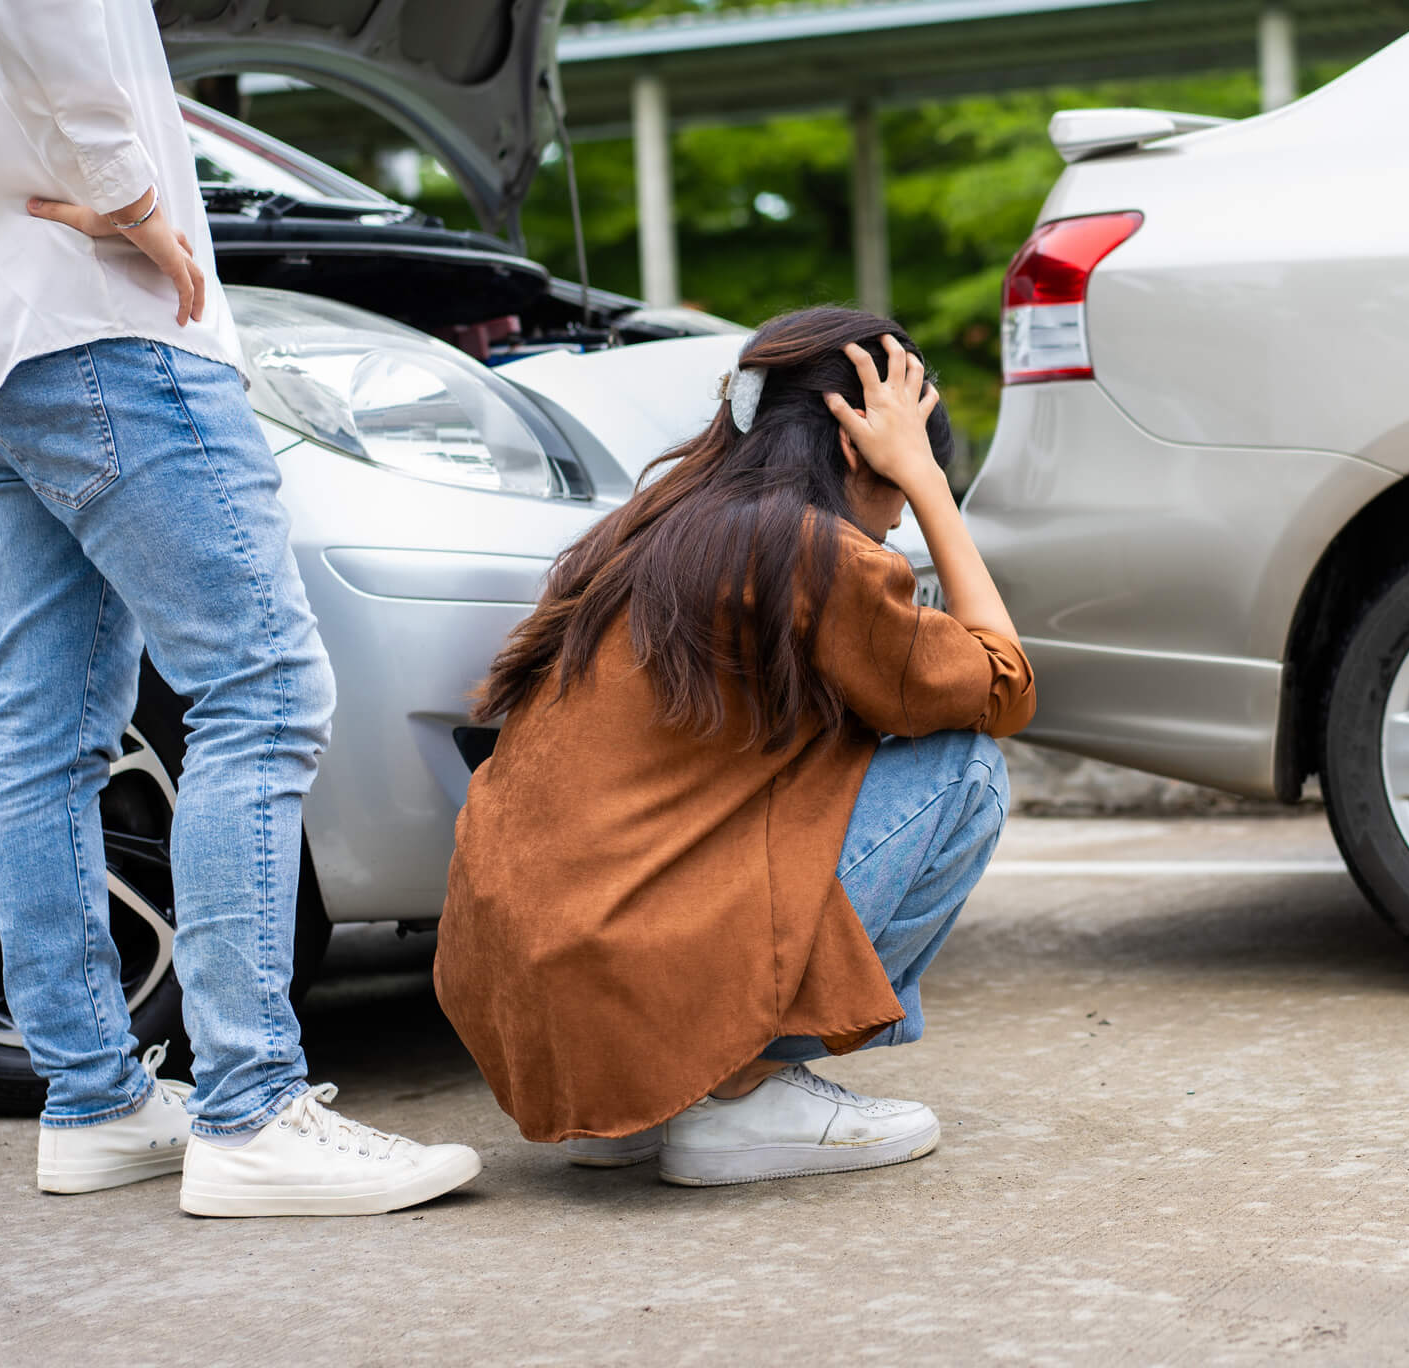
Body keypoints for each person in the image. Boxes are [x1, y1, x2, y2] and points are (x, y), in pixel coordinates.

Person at [0, 0, 478, 1215]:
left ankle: (95, 1102)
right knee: (262, 688)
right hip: (101, 319)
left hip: (3, 339)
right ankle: (253, 1109)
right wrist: (136, 202)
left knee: (48, 728)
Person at [436, 307, 1035, 1187]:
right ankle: (740, 1093)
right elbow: (1003, 684)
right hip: (628, 957)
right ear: (856, 450)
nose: (899, 523)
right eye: (902, 492)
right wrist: (933, 484)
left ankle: (640, 1105)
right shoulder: (813, 553)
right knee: (966, 771)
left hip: (521, 996)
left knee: (801, 772)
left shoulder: (643, 531)